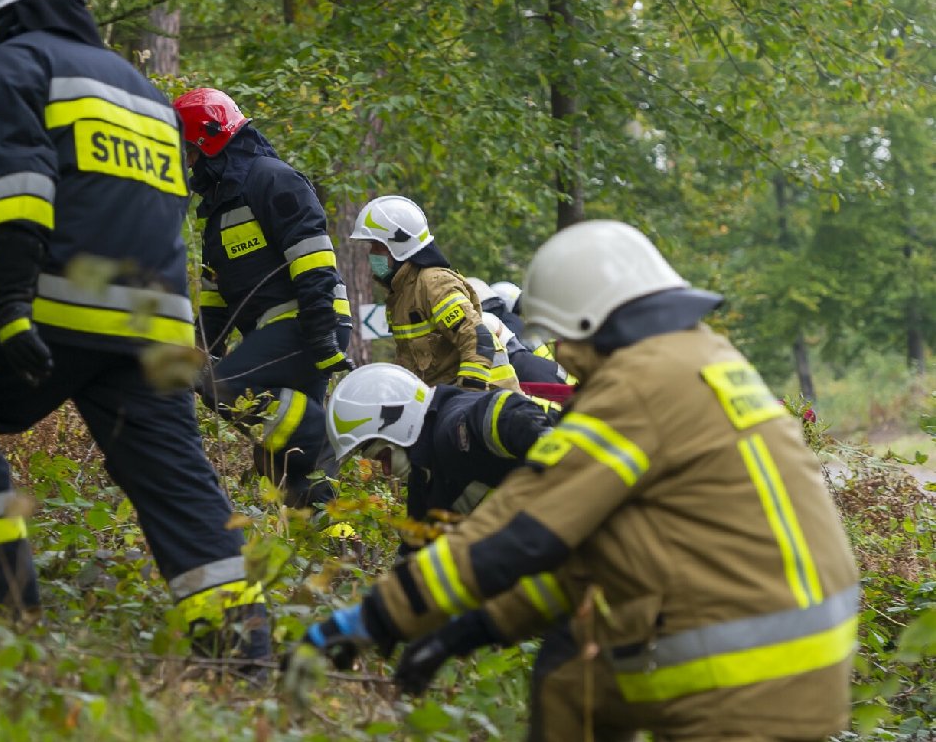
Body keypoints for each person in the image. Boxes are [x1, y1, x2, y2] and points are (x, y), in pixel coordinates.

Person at [299, 220, 858, 741]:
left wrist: (374, 618)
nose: (558, 354)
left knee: (571, 669)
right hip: (803, 651)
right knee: (573, 673)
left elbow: (519, 531)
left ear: (597, 320)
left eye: (563, 335)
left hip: (740, 672)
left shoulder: (636, 388)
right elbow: (600, 556)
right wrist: (469, 629)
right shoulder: (703, 357)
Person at [0, 0, 268, 662]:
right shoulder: (138, 86)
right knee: (176, 483)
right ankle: (244, 652)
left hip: (65, 301)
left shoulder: (14, 66)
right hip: (157, 318)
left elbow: (15, 193)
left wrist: (11, 303)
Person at [175, 87, 352, 510]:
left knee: (226, 384)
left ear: (207, 138)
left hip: (309, 319)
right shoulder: (217, 207)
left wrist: (320, 333)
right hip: (282, 328)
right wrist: (202, 351)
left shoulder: (272, 179)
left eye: (184, 148)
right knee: (284, 458)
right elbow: (218, 295)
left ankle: (320, 434)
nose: (182, 160)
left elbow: (313, 260)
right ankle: (331, 535)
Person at [326, 362, 554, 531]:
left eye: (383, 456)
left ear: (395, 426)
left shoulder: (454, 429)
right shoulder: (425, 476)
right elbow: (417, 550)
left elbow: (511, 416)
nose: (386, 471)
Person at [351, 197, 514, 391]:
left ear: (399, 244)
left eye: (377, 246)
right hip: (439, 398)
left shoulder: (434, 284)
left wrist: (468, 395)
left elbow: (478, 339)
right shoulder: (402, 292)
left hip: (487, 395)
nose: (372, 253)